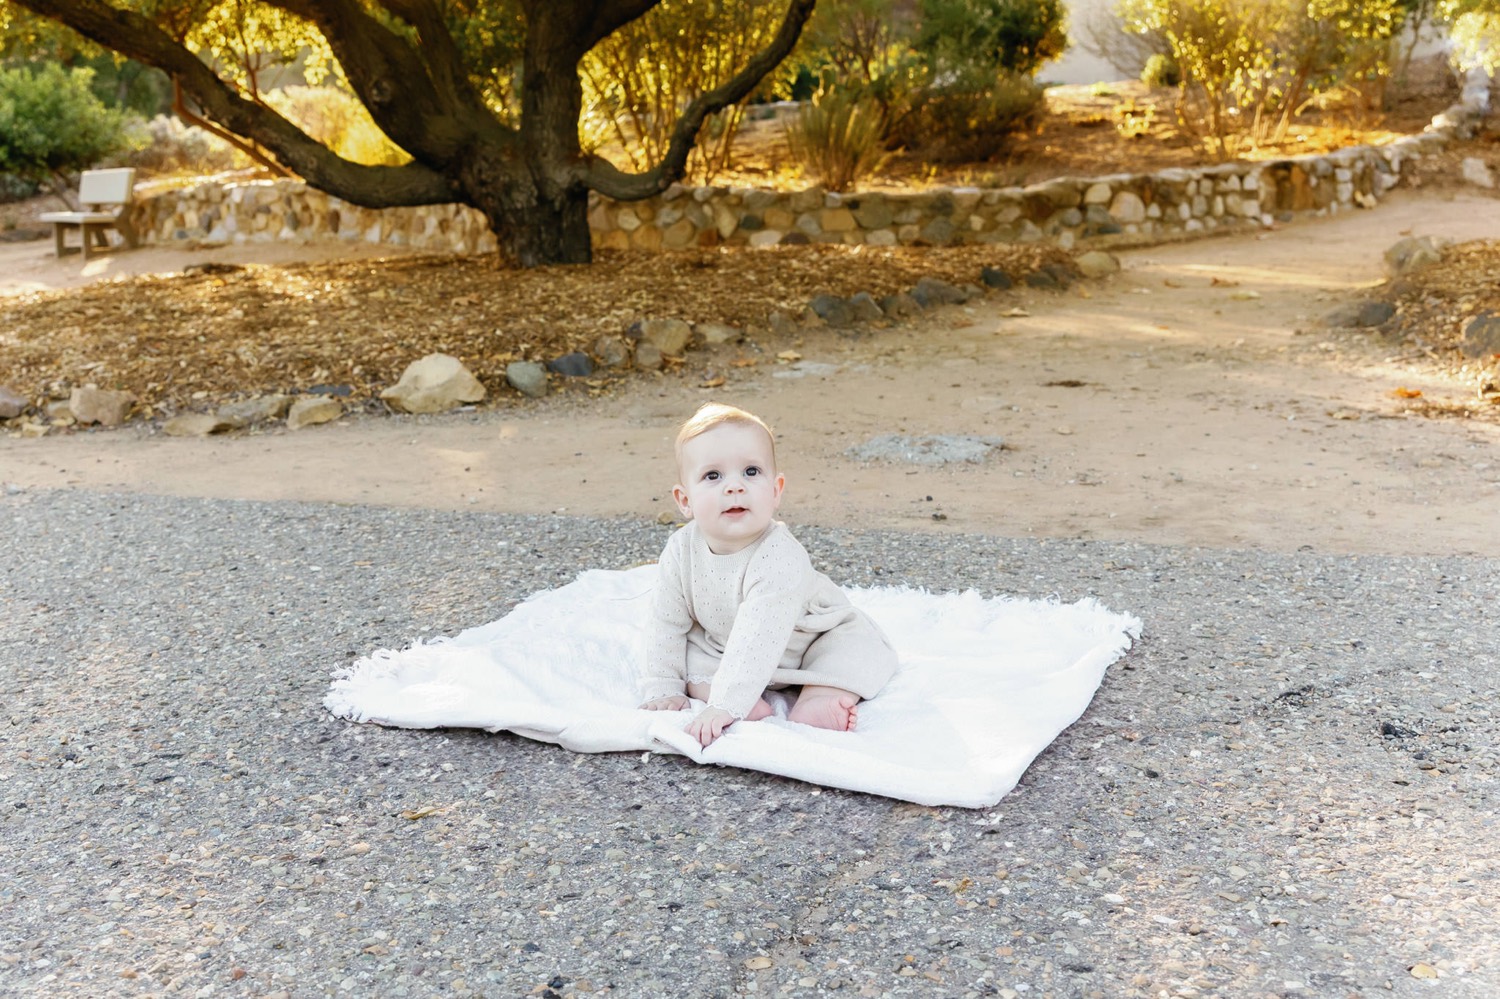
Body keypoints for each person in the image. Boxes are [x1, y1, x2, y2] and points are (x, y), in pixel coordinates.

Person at [639, 403, 898, 747]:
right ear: (684, 500)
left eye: (750, 472)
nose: (734, 487)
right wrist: (663, 686)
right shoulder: (680, 548)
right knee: (690, 655)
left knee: (855, 651)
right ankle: (741, 693)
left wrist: (725, 705)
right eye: (713, 476)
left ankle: (818, 697)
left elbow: (760, 634)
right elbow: (666, 621)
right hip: (727, 644)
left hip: (809, 639)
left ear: (776, 490)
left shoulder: (780, 556)